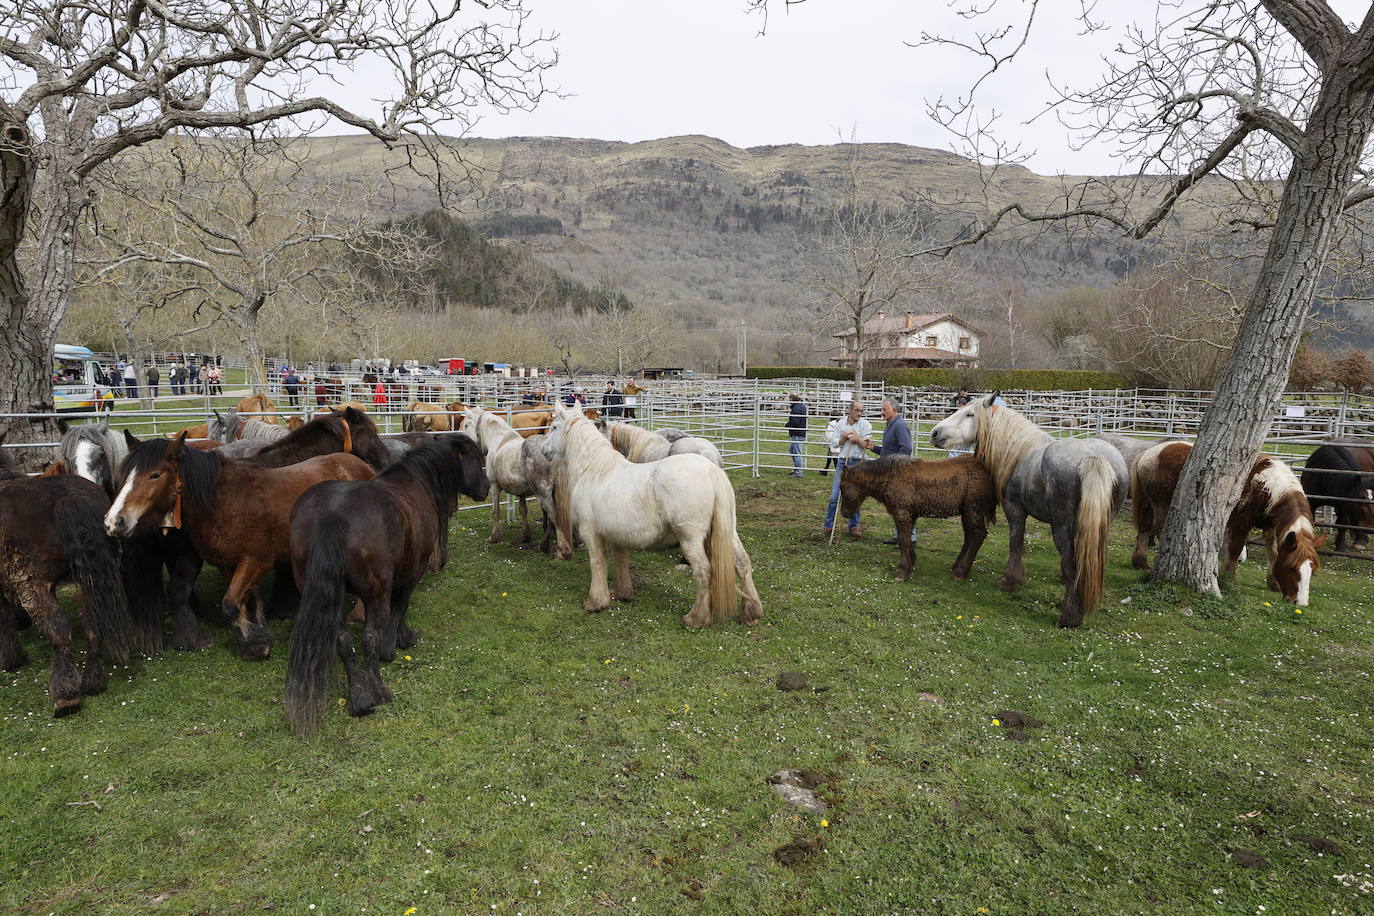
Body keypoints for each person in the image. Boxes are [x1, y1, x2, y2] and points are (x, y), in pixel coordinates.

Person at [868, 398, 917, 545]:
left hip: (898, 473)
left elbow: (906, 449)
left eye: (885, 410)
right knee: (897, 506)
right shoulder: (891, 425)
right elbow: (888, 451)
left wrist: (895, 467)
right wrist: (873, 448)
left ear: (894, 411)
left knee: (902, 506)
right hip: (892, 471)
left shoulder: (899, 425)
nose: (882, 412)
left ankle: (909, 537)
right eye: (882, 409)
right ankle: (900, 535)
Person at [823, 400, 872, 538]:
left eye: (861, 411)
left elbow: (865, 444)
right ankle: (828, 525)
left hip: (858, 463)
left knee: (855, 496)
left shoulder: (866, 425)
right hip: (843, 462)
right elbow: (835, 444)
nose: (859, 413)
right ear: (850, 410)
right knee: (834, 496)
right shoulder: (840, 424)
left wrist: (855, 436)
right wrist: (844, 437)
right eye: (857, 410)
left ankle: (854, 525)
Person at [784, 393, 808, 477]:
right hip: (800, 432)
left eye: (789, 399)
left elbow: (795, 422)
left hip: (797, 433)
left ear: (791, 399)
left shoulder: (796, 409)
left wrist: (787, 425)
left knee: (796, 452)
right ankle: (797, 468)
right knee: (793, 450)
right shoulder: (801, 406)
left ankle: (798, 472)